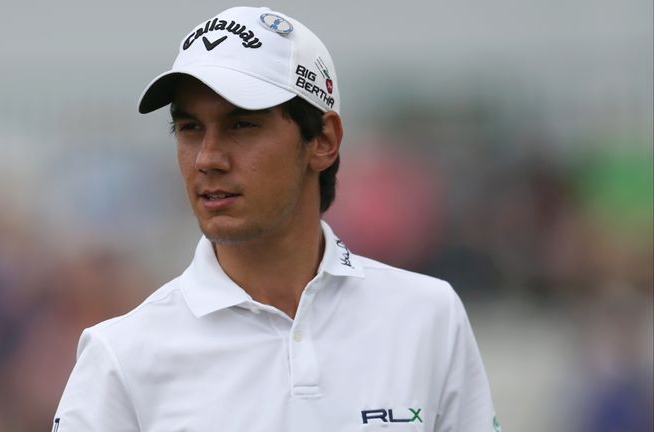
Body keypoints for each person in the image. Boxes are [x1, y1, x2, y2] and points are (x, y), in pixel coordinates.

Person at [53, 6, 499, 431]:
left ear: (323, 140)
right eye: (189, 128)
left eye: (241, 125)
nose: (207, 158)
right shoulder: (121, 356)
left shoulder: (428, 316)